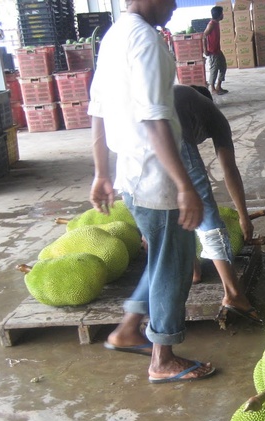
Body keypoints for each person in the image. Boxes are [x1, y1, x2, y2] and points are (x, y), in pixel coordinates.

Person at [88, 0, 216, 383]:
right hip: (158, 178)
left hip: (131, 175)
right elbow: (153, 118)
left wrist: (101, 173)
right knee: (174, 265)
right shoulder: (145, 41)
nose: (175, 5)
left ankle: (128, 330)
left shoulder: (114, 37)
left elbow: (98, 111)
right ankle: (163, 358)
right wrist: (183, 186)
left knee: (161, 258)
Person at [173, 84, 262, 325]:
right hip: (166, 124)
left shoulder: (189, 103)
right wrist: (243, 216)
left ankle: (193, 270)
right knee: (204, 211)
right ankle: (234, 295)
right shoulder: (213, 114)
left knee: (175, 205)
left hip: (141, 129)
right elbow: (229, 169)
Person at [203, 6, 228, 95]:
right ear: (219, 14)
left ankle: (218, 86)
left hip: (218, 50)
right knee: (214, 69)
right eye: (222, 13)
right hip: (212, 51)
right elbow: (204, 36)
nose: (223, 15)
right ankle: (213, 89)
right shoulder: (212, 24)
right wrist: (205, 49)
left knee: (223, 66)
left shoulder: (216, 23)